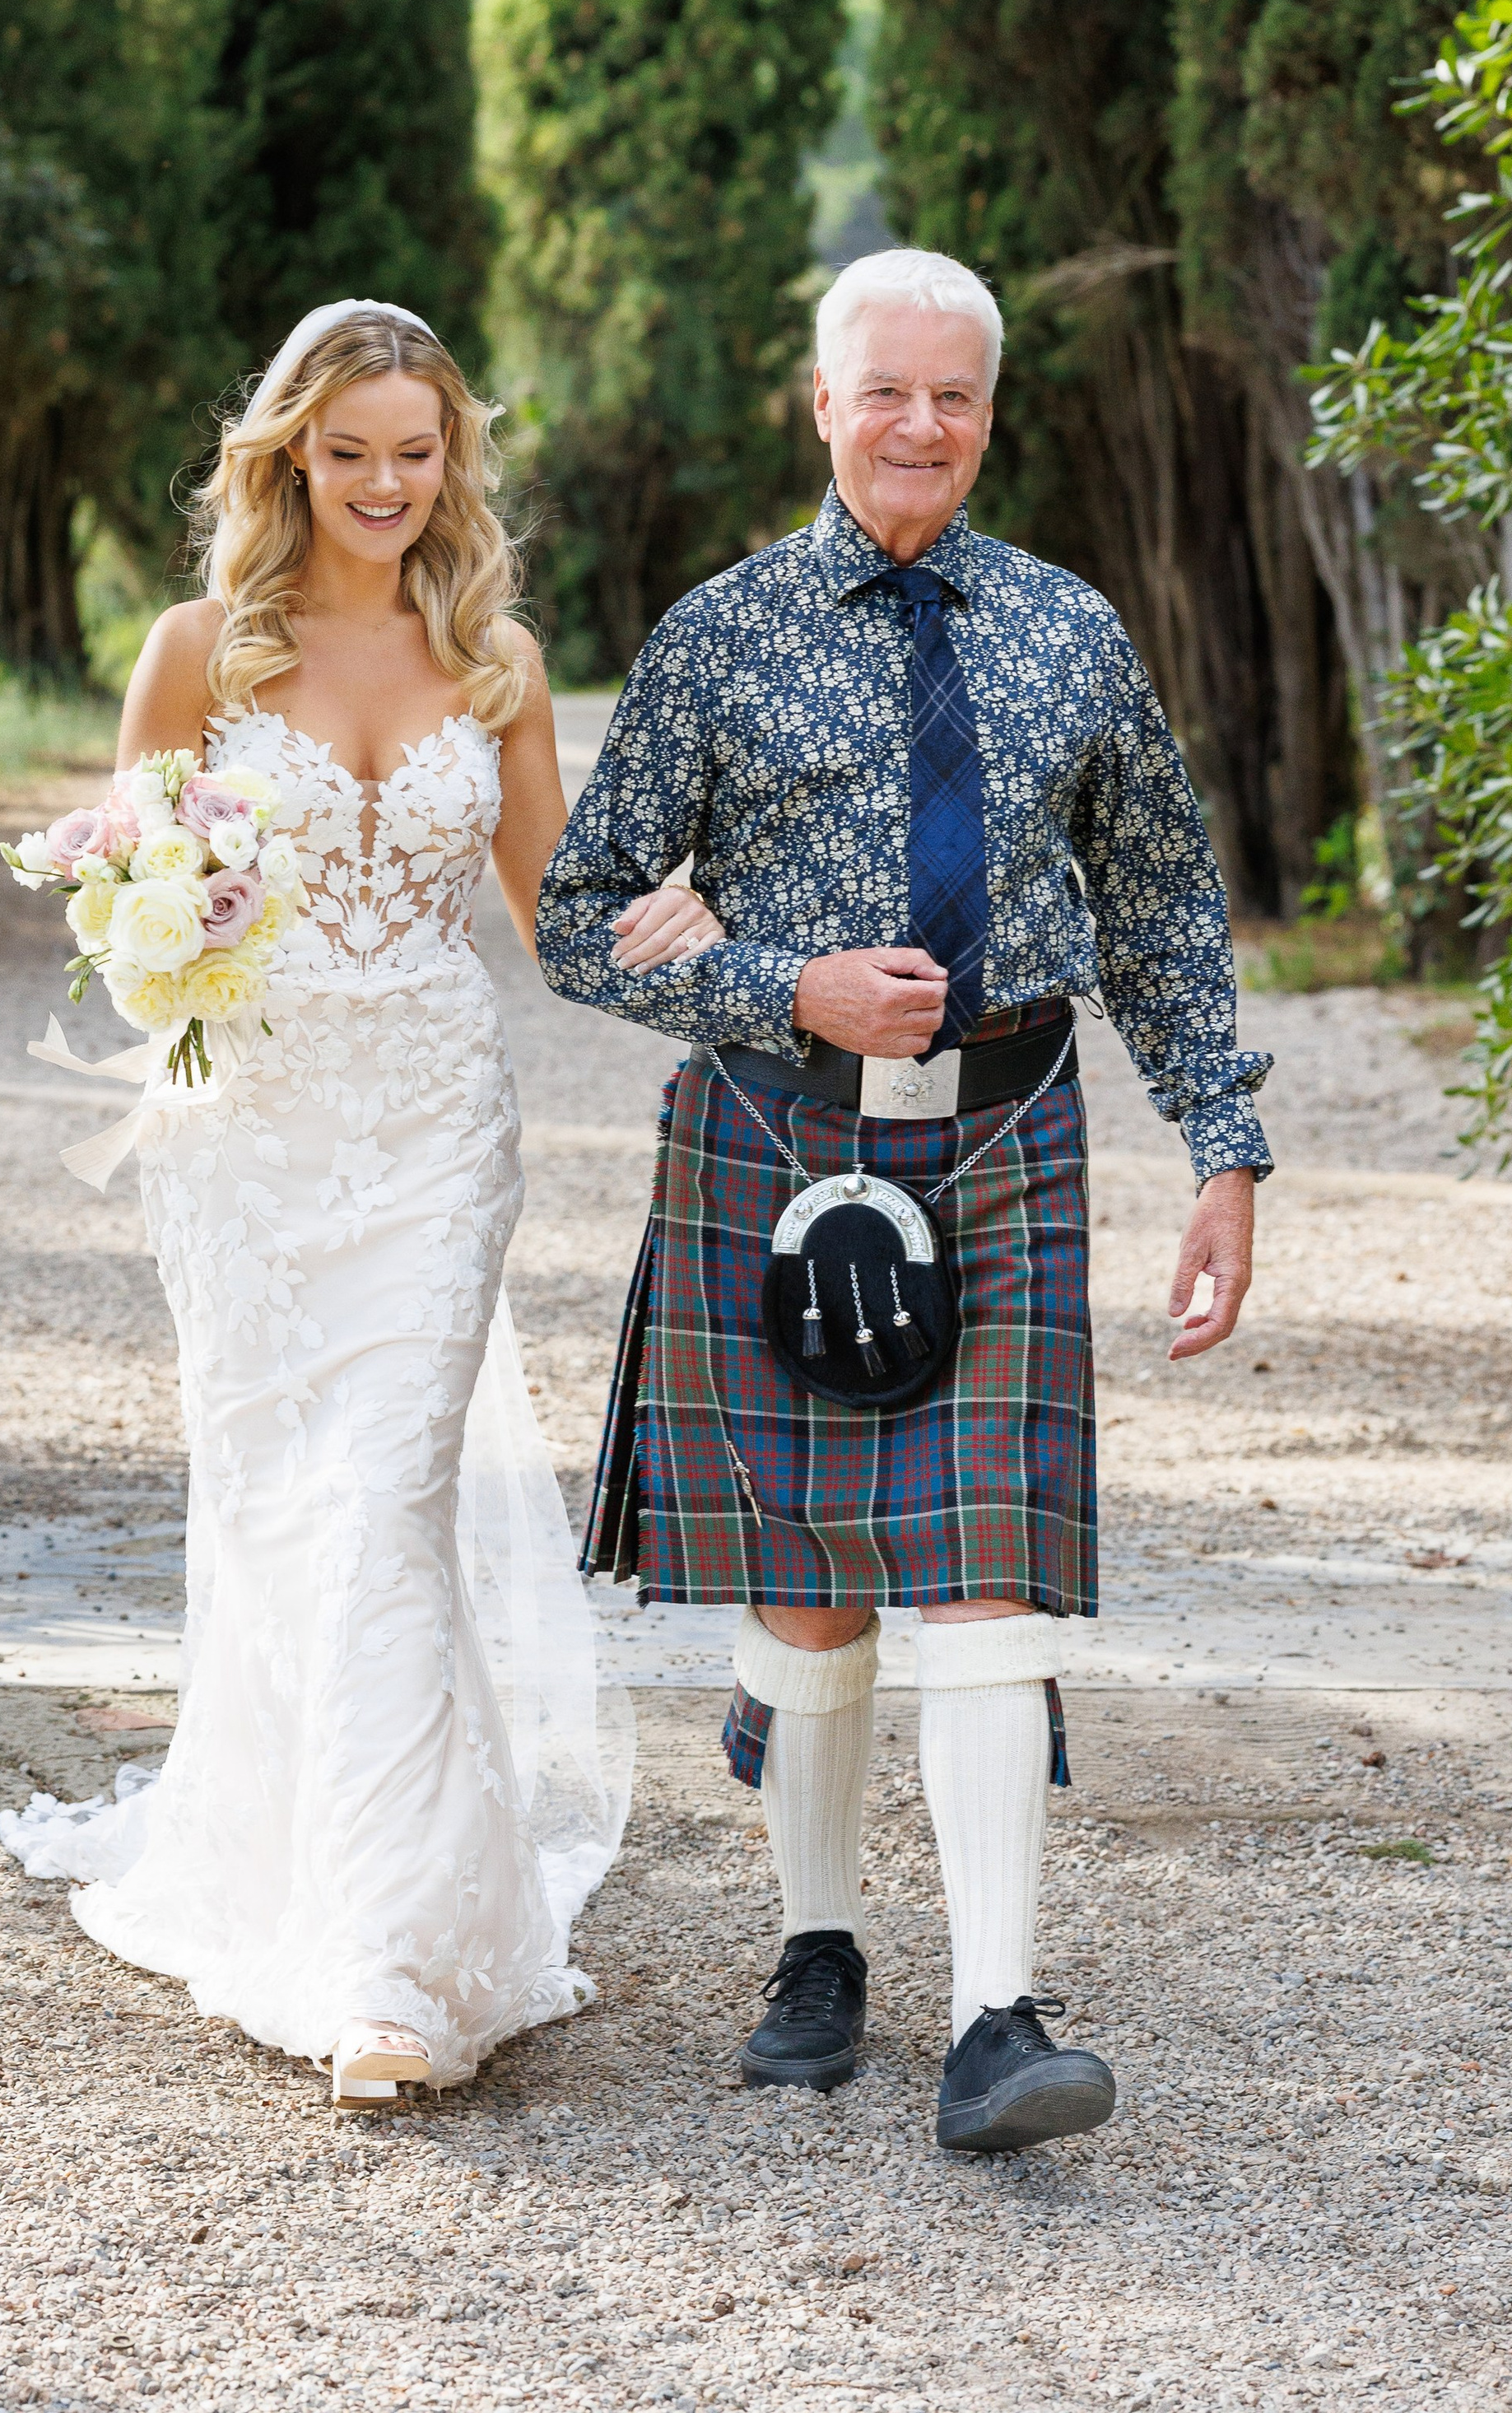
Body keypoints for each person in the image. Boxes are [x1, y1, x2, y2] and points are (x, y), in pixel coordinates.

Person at [536, 248, 1272, 2154]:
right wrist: (780, 985)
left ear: (988, 411)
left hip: (1001, 1133)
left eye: (951, 396)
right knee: (803, 1588)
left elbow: (1162, 913)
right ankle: (815, 1944)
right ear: (820, 402)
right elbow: (574, 918)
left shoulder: (1065, 633)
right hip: (775, 1138)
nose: (919, 425)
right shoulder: (715, 634)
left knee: (979, 1572)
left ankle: (994, 2016)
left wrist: (1222, 1151)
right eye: (885, 392)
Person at [0, 300, 719, 2105]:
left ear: (449, 462)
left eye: (417, 451)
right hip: (250, 1145)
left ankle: (392, 1964)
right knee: (290, 1511)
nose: (386, 483)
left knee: (390, 1494)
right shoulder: (198, 652)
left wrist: (716, 943)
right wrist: (164, 928)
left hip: (429, 1134)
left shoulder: (497, 663)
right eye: (350, 451)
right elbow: (132, 884)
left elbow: (560, 914)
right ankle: (308, 1877)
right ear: (290, 457)